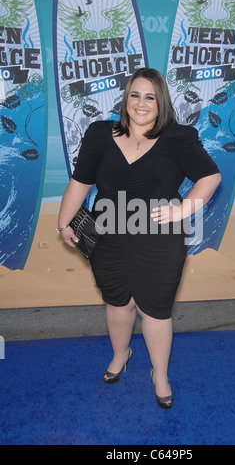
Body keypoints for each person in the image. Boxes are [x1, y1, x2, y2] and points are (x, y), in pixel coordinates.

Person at [57, 68, 221, 409]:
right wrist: (63, 223)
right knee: (117, 303)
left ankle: (159, 374)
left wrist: (181, 211)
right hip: (108, 238)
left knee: (156, 311)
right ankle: (121, 354)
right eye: (135, 95)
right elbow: (81, 182)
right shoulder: (100, 133)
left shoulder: (179, 137)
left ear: (161, 101)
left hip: (160, 241)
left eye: (150, 96)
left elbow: (210, 177)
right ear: (125, 99)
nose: (141, 103)